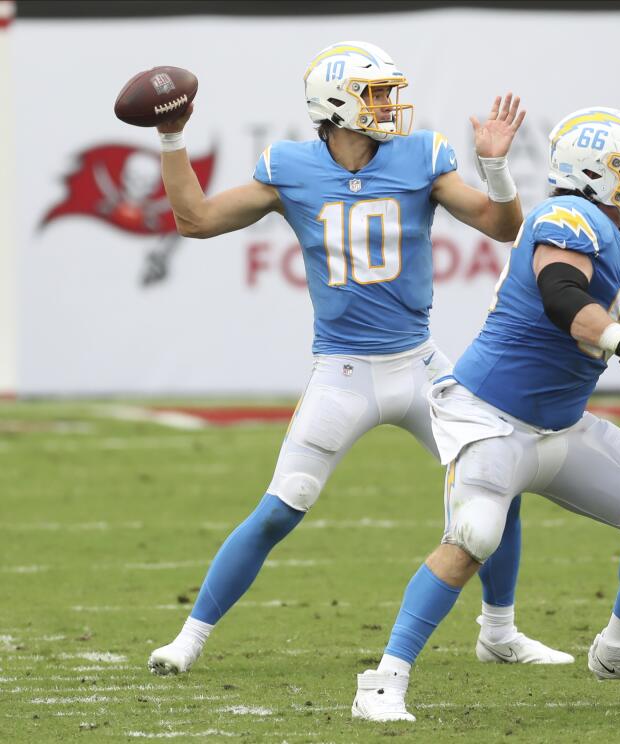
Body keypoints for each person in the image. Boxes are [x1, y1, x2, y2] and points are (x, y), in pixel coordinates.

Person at [141, 40, 570, 677]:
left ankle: (500, 632)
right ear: (335, 105)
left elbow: (501, 226)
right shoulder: (289, 166)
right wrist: (172, 139)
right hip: (343, 371)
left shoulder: (422, 156)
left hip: (422, 366)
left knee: (495, 483)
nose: (390, 105)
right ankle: (189, 638)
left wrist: (495, 167)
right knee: (281, 506)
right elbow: (196, 219)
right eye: (375, 94)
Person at [351, 106, 620, 722]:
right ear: (589, 172)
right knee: (474, 534)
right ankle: (383, 681)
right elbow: (563, 297)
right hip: (489, 416)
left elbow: (614, 321)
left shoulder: (617, 225)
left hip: (558, 425)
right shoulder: (567, 215)